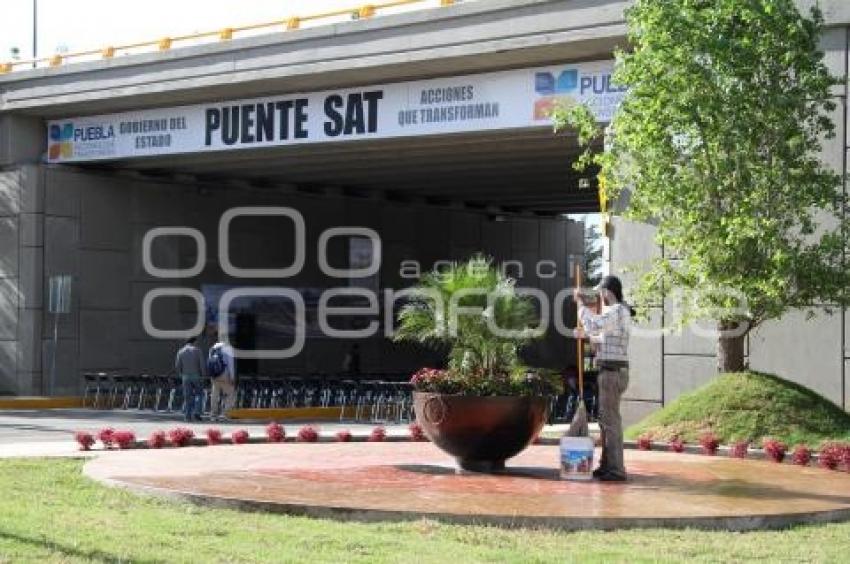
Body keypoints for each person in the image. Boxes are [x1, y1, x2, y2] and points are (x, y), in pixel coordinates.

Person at [574, 275, 635, 482]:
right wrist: (585, 337)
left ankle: (616, 469)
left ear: (607, 292)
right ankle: (607, 465)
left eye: (600, 292)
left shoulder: (618, 310)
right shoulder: (619, 312)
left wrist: (581, 306)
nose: (599, 296)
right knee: (605, 420)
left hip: (612, 372)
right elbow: (603, 337)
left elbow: (595, 324)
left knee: (610, 422)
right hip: (610, 371)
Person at [175, 336, 205, 422]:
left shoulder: (180, 351)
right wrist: (203, 375)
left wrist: (182, 374)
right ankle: (197, 412)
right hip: (196, 376)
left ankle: (187, 416)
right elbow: (202, 364)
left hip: (185, 376)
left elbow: (177, 366)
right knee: (199, 394)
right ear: (194, 342)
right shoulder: (197, 350)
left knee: (188, 396)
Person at [208, 334, 236, 421]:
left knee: (215, 395)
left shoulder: (213, 348)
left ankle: (213, 415)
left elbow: (209, 362)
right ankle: (226, 415)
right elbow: (230, 364)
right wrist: (232, 377)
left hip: (214, 375)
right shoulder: (228, 348)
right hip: (225, 374)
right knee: (230, 394)